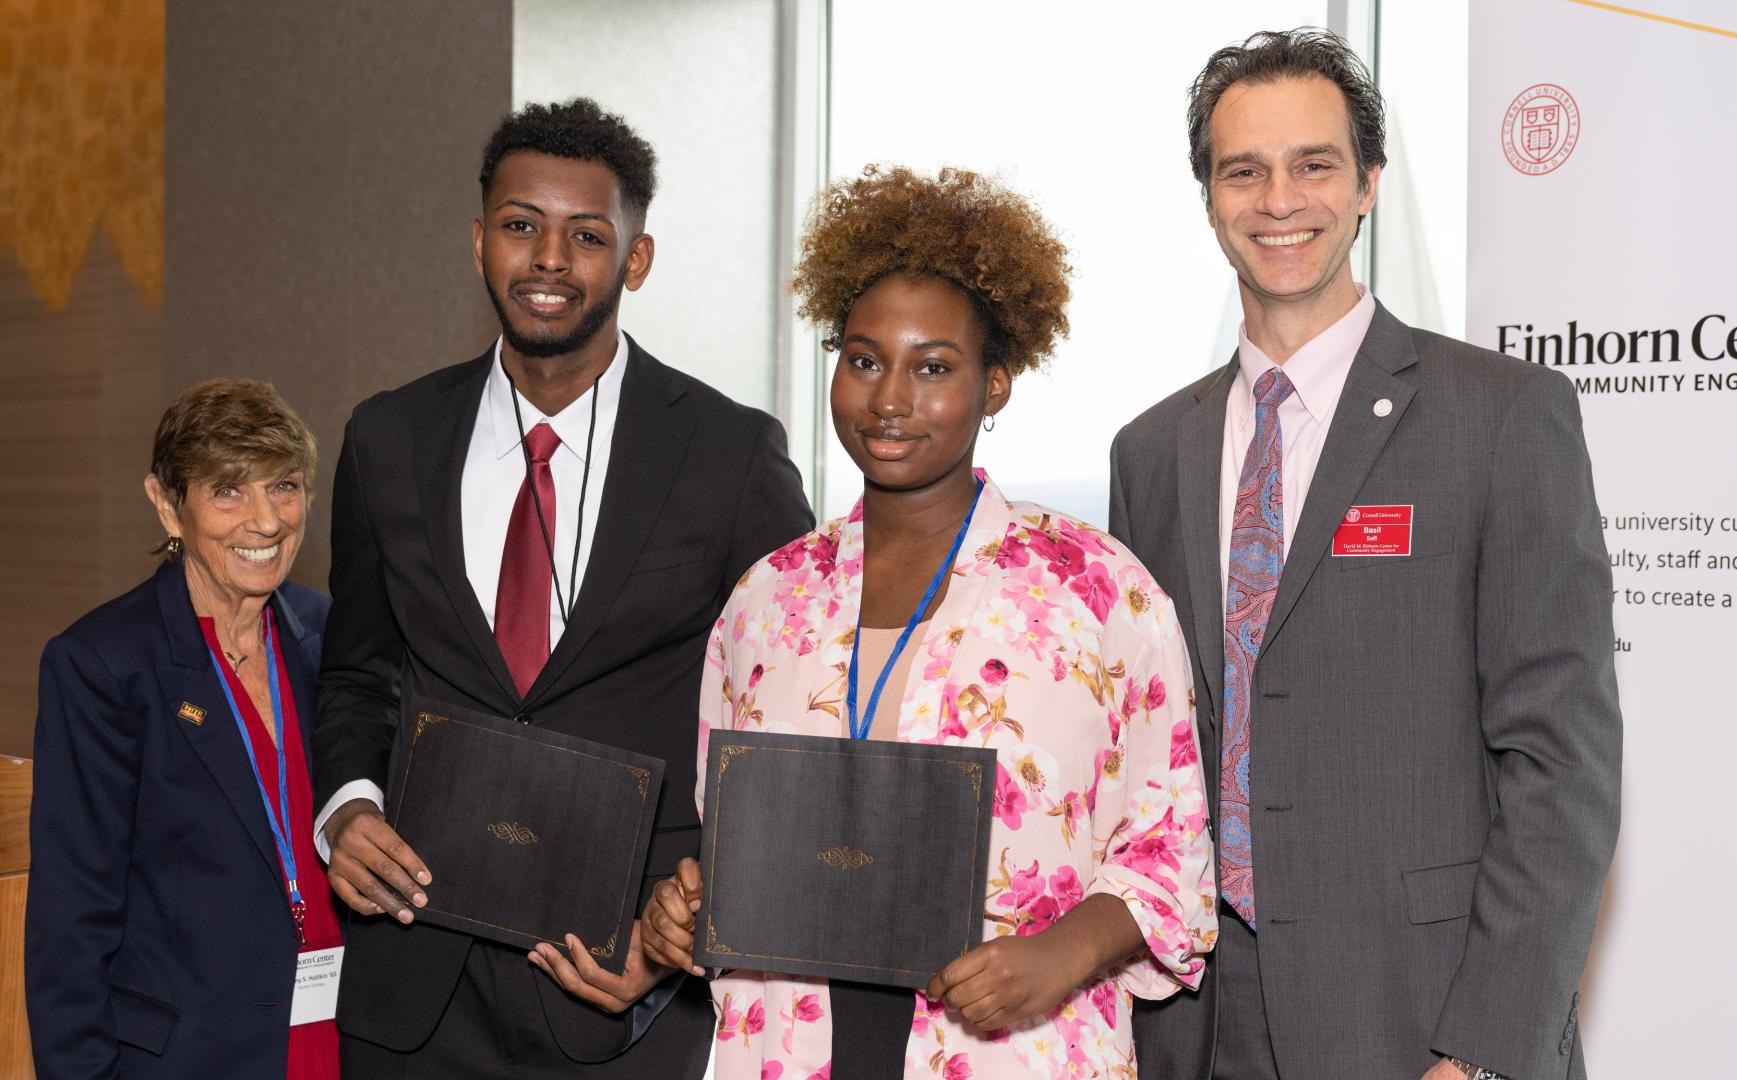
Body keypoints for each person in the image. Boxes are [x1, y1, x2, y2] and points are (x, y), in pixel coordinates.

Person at [1112, 28, 1622, 1080]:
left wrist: (1481, 1050)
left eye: (1315, 164)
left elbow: (1561, 767)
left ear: (1368, 185)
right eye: (1242, 170)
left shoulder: (1502, 416)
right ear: (1208, 196)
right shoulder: (1151, 452)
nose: (1278, 199)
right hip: (1198, 1020)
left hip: (1422, 1015)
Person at [640, 166, 1217, 1080]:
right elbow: (731, 836)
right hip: (789, 1050)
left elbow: (1169, 850)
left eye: (934, 367)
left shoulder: (1099, 591)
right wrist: (688, 907)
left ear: (997, 384)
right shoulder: (767, 599)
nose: (890, 400)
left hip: (1010, 1050)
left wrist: (1061, 955)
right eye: (864, 359)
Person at [311, 98, 813, 1078]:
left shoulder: (729, 453)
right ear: (478, 240)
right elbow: (358, 672)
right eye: (520, 226)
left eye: (586, 236)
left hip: (624, 988)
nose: (547, 259)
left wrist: (687, 930)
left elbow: (790, 725)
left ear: (636, 259)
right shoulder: (387, 438)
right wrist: (348, 806)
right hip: (415, 980)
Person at [27, 379, 338, 1078]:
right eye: (228, 491)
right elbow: (70, 930)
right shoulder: (103, 666)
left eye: (284, 486)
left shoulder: (329, 634)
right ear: (168, 505)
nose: (266, 520)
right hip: (190, 1055)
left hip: (331, 1038)